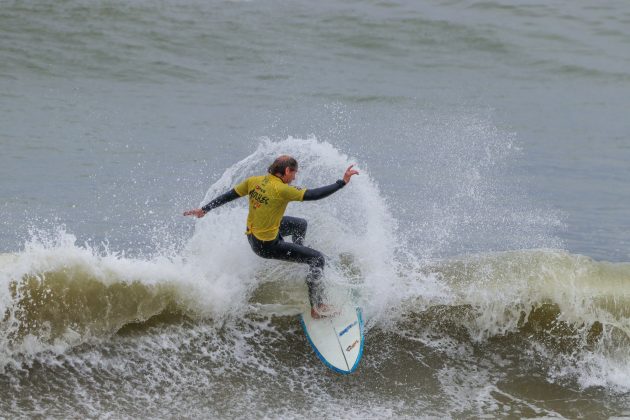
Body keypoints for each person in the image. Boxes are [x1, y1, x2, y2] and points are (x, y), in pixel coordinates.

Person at [184, 155, 359, 319]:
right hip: (267, 246)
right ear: (287, 171)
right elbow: (313, 195)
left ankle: (299, 258)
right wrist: (342, 182)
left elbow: (229, 195)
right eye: (294, 173)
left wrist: (204, 209)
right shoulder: (282, 189)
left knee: (300, 225)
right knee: (317, 259)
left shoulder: (254, 181)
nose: (295, 178)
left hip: (253, 235)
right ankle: (317, 307)